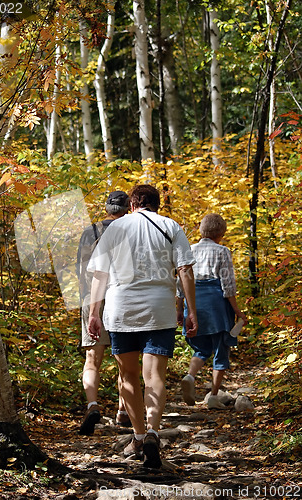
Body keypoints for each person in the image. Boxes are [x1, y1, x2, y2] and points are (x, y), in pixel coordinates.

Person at [87, 185, 198, 468]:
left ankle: (137, 434)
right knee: (154, 375)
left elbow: (100, 273)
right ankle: (152, 431)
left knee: (128, 375)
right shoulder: (170, 226)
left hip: (121, 308)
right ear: (157, 205)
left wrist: (94, 313)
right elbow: (184, 269)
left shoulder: (115, 228)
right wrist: (190, 310)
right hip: (159, 309)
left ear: (132, 204)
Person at [179, 213, 248, 410]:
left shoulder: (189, 250)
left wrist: (179, 309)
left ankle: (190, 376)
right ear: (221, 233)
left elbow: (180, 284)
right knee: (220, 348)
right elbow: (228, 285)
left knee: (200, 348)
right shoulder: (222, 251)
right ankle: (214, 396)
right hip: (216, 302)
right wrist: (237, 310)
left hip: (193, 302)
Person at [77, 191, 131, 435]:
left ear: (106, 207)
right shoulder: (132, 229)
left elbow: (82, 269)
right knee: (125, 359)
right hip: (123, 297)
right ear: (128, 208)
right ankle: (122, 410)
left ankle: (92, 405)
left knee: (92, 359)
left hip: (93, 298)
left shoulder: (91, 231)